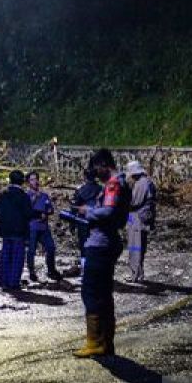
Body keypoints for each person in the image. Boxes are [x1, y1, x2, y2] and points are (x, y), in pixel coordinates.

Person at [71, 149, 130, 358]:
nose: (95, 173)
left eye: (97, 168)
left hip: (101, 243)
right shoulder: (120, 183)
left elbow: (109, 211)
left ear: (104, 164)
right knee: (104, 294)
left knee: (92, 291)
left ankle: (95, 342)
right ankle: (106, 342)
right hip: (109, 241)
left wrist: (88, 211)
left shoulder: (114, 183)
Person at [0, 170, 32, 291]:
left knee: (5, 256)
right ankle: (13, 283)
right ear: (22, 182)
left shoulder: (3, 194)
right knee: (17, 258)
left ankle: (3, 282)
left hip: (5, 230)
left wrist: (4, 214)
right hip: (19, 231)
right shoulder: (24, 196)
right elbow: (29, 214)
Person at [124, 160, 157, 283]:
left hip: (137, 219)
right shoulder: (146, 182)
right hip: (140, 218)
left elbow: (134, 202)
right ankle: (138, 274)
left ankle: (135, 275)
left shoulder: (141, 184)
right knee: (139, 247)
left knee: (135, 247)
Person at [25, 171, 61, 282]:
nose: (35, 181)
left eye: (36, 179)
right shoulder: (26, 196)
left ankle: (51, 270)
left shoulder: (44, 195)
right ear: (28, 182)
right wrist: (34, 199)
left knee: (51, 247)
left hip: (44, 228)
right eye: (32, 179)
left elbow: (50, 209)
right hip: (32, 227)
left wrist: (48, 212)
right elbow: (26, 211)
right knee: (31, 250)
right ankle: (31, 272)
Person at [69, 164, 102, 266]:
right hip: (97, 221)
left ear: (85, 176)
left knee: (84, 246)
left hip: (82, 221)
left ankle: (85, 271)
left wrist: (72, 225)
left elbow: (74, 207)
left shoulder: (80, 190)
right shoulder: (101, 189)